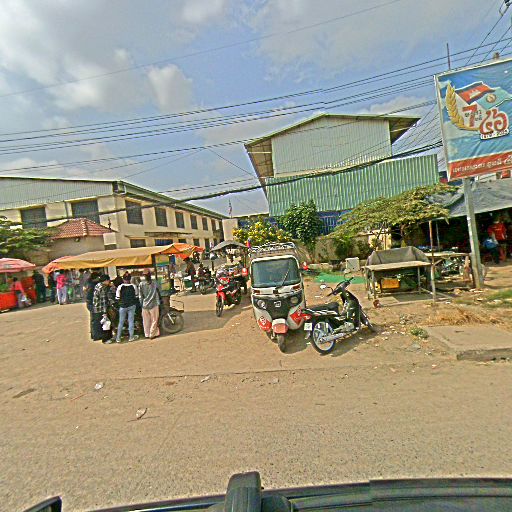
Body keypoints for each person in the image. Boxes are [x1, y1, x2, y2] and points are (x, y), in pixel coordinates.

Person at [115, 273, 139, 343]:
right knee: (131, 321)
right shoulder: (134, 286)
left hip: (122, 306)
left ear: (123, 279)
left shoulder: (120, 287)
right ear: (130, 279)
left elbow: (117, 298)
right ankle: (131, 337)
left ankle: (118, 338)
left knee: (121, 322)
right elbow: (136, 296)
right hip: (131, 305)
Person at [139, 269, 160, 339]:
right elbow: (158, 292)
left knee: (146, 321)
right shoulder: (154, 283)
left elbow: (140, 296)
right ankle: (152, 334)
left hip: (145, 305)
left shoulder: (141, 284)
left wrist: (141, 304)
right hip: (154, 304)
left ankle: (147, 334)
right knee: (154, 320)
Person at [92, 274, 113, 343]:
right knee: (106, 324)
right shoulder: (102, 288)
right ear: (106, 280)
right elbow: (103, 301)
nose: (109, 281)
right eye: (108, 280)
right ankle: (106, 339)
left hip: (96, 307)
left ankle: (102, 337)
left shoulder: (98, 285)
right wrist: (105, 312)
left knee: (101, 324)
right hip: (101, 308)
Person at [86, 272, 100, 340]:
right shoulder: (92, 285)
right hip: (92, 303)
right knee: (95, 320)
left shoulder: (91, 284)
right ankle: (96, 336)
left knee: (94, 319)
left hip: (90, 303)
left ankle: (94, 335)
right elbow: (91, 296)